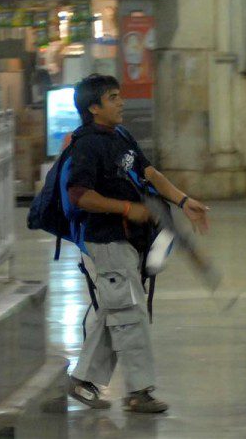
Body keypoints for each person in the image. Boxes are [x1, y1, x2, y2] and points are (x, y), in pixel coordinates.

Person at [66, 74, 209, 413]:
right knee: (129, 314)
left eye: (119, 96)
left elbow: (149, 173)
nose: (121, 102)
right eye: (113, 97)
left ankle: (84, 381)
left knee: (118, 309)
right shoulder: (86, 145)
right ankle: (138, 392)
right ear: (94, 108)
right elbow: (80, 196)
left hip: (131, 242)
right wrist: (128, 208)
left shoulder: (120, 136)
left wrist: (183, 200)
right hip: (108, 242)